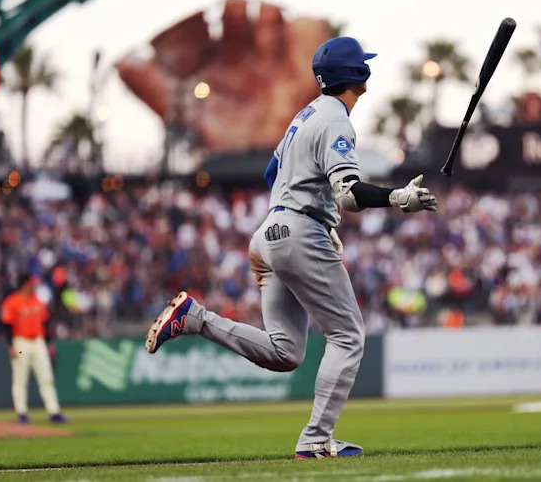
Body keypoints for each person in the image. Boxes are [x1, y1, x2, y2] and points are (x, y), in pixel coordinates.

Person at [145, 36, 438, 459]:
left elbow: (272, 173)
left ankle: (195, 319)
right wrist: (397, 198)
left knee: (286, 352)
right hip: (299, 233)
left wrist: (308, 209)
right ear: (357, 75)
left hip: (269, 233)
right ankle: (317, 438)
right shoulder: (337, 119)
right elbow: (349, 195)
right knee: (349, 336)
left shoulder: (304, 115)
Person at [1, 273, 67, 424]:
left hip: (38, 341)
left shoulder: (37, 301)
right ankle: (22, 413)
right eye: (31, 283)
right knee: (20, 379)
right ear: (24, 284)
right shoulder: (12, 302)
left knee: (46, 377)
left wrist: (49, 343)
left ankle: (54, 411)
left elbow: (45, 324)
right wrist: (10, 345)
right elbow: (6, 326)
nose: (34, 285)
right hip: (20, 341)